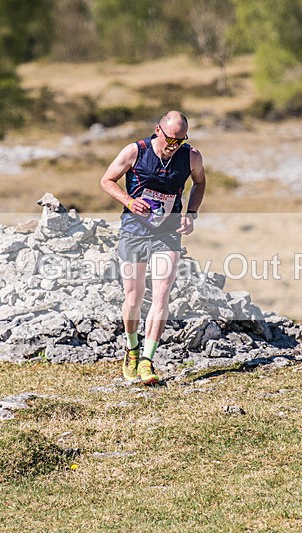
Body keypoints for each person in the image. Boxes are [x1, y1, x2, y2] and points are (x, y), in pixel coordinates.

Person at [100, 110, 206, 384]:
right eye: (170, 139)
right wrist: (129, 202)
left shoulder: (191, 156)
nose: (173, 146)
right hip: (134, 231)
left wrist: (191, 213)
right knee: (134, 297)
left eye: (179, 141)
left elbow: (200, 182)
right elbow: (106, 181)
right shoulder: (136, 151)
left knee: (161, 293)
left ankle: (147, 360)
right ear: (158, 130)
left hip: (168, 232)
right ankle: (132, 348)